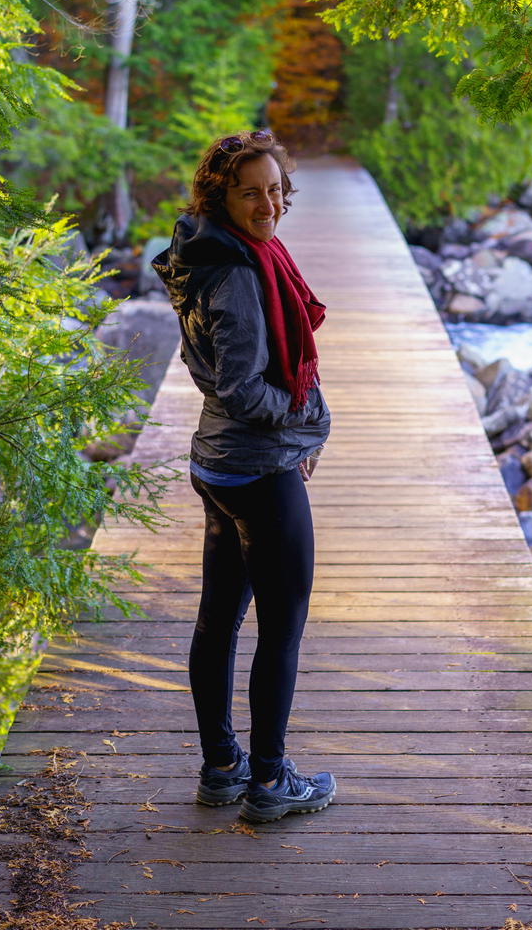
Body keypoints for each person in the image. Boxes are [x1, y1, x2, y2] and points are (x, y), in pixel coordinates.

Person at [151, 130, 335, 824]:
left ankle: (221, 769)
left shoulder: (212, 251)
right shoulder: (236, 273)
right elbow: (240, 386)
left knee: (219, 622)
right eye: (252, 191)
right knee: (281, 628)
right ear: (219, 194)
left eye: (277, 188)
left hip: (217, 464)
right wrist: (303, 425)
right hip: (257, 470)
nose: (270, 204)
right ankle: (268, 781)